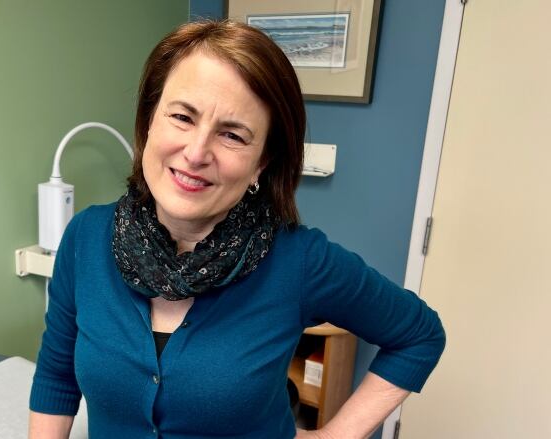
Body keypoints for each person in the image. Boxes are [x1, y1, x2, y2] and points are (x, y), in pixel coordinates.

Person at [28, 20, 445, 439]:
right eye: (181, 116)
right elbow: (56, 377)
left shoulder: (299, 260)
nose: (195, 153)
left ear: (261, 163)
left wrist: (334, 436)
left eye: (232, 134)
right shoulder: (85, 238)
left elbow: (419, 335)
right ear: (149, 121)